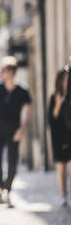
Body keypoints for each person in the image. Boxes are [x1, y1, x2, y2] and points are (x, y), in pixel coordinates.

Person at [0, 56, 32, 208]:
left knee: (12, 160)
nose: (0, 73)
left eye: (3, 70)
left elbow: (28, 111)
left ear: (11, 72)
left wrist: (22, 129)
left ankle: (8, 191)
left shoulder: (22, 90)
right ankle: (0, 189)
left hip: (14, 129)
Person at [48, 69, 71, 206]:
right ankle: (63, 195)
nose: (66, 81)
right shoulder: (54, 97)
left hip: (70, 134)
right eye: (64, 79)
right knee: (61, 166)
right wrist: (57, 105)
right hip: (58, 135)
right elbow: (51, 120)